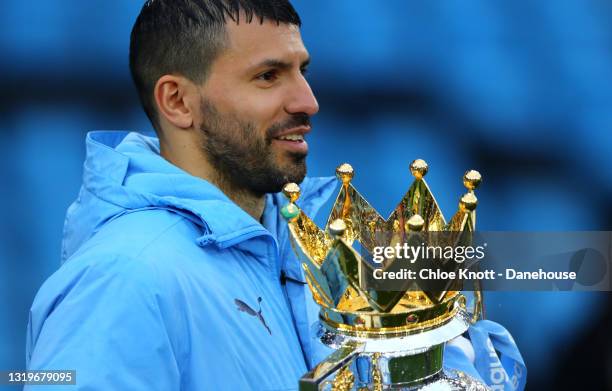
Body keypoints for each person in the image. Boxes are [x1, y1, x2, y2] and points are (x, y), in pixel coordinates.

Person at [26, 1, 526, 390]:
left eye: (301, 69)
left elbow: (576, 264)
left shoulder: (324, 246)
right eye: (268, 76)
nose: (307, 101)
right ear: (178, 101)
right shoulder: (122, 279)